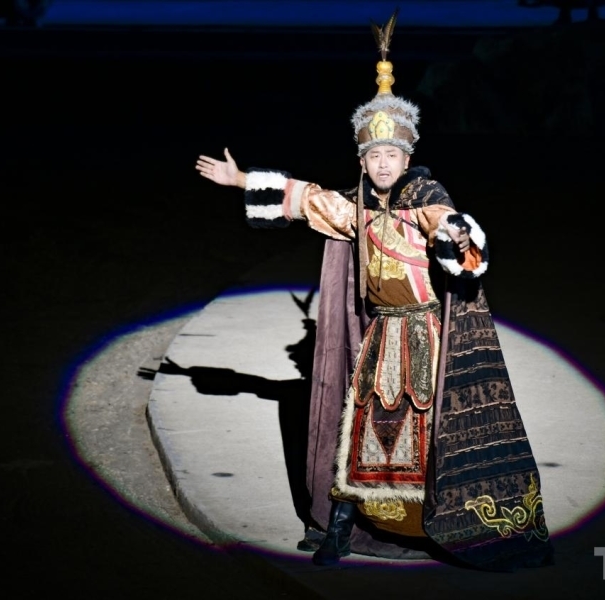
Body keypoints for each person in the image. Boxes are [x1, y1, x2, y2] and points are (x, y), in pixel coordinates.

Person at [196, 12, 554, 572]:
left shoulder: (424, 196)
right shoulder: (357, 206)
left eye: (391, 156)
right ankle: (342, 527)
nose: (383, 164)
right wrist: (242, 180)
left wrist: (458, 235)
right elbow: (309, 198)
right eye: (373, 156)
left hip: (424, 331)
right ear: (362, 160)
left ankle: (436, 521)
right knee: (359, 421)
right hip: (381, 335)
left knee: (427, 427)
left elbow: (447, 223)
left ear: (406, 159)